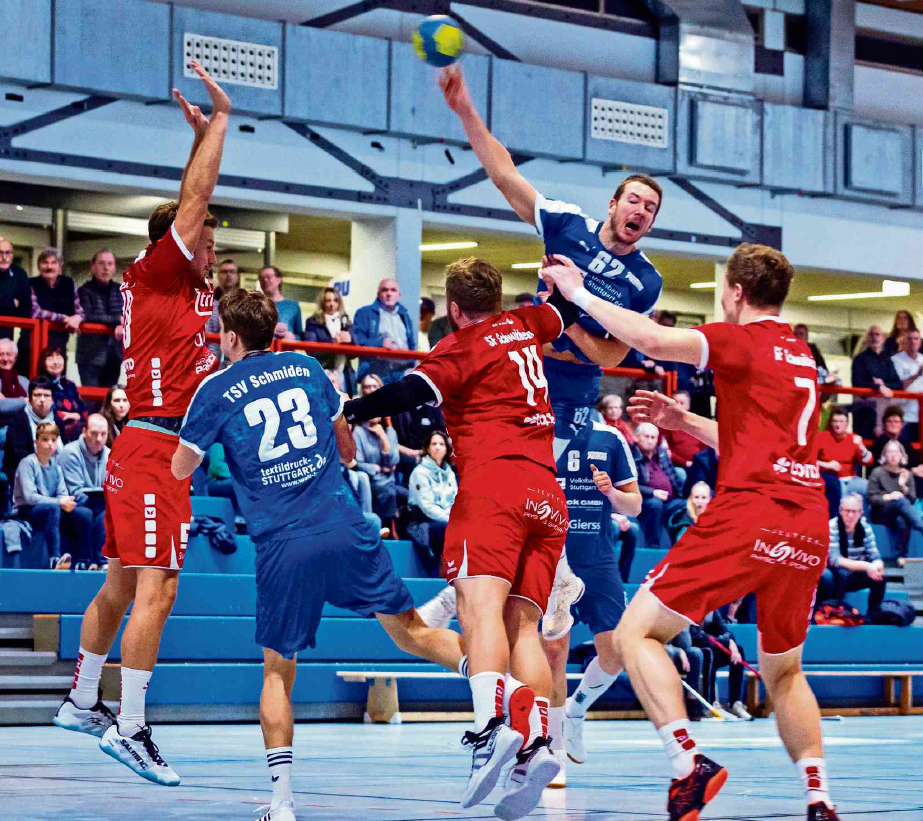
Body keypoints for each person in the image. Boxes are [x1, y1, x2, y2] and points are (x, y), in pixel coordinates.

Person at [542, 243, 841, 821]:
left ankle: (687, 764)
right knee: (784, 671)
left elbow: (651, 340)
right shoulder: (802, 355)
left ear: (737, 292)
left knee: (635, 634)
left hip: (752, 512)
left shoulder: (741, 339)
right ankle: (819, 797)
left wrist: (577, 292)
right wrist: (684, 422)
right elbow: (753, 443)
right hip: (808, 522)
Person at [171, 289, 465, 821]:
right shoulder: (308, 368)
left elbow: (180, 467)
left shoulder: (215, 387)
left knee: (277, 671)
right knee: (412, 633)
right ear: (273, 332)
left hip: (282, 544)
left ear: (230, 337)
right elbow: (347, 450)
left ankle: (282, 803)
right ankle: (506, 690)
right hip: (343, 524)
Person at [343, 257, 585, 818]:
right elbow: (566, 310)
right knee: (524, 628)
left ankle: (490, 729)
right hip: (548, 495)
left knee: (479, 613)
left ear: (453, 310)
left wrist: (351, 409)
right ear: (497, 299)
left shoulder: (461, 345)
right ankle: (536, 747)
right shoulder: (526, 323)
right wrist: (568, 278)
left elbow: (407, 393)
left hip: (495, 486)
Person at [437, 65, 664, 640]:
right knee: (490, 474)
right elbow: (504, 175)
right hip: (525, 375)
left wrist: (573, 304)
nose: (640, 212)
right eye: (635, 201)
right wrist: (465, 111)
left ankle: (542, 580)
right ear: (614, 203)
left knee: (532, 488)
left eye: (650, 209)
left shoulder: (645, 282)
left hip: (573, 392)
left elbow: (614, 357)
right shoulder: (567, 226)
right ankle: (523, 579)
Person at [51, 61, 228, 787]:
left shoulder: (172, 282)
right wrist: (221, 125)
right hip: (154, 449)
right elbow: (194, 200)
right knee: (160, 590)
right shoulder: (161, 271)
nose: (214, 248)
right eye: (206, 239)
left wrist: (195, 142)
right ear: (178, 240)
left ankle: (79, 700)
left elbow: (188, 198)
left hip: (146, 447)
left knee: (121, 587)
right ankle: (130, 727)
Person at [539, 418, 641, 786]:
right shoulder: (538, 429)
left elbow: (635, 506)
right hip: (551, 555)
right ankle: (553, 748)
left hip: (597, 557)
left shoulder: (609, 437)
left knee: (616, 652)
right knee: (554, 653)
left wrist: (612, 493)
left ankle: (576, 709)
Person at [14, 422, 92, 571]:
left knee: (84, 513)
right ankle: (54, 559)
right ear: (36, 442)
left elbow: (62, 493)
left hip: (51, 509)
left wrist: (66, 502)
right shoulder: (27, 463)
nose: (50, 443)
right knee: (53, 508)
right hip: (26, 510)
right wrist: (59, 502)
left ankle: (83, 560)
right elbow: (29, 497)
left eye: (53, 440)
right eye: (45, 439)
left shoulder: (56, 467)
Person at [60, 414, 110, 570]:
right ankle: (85, 560)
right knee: (87, 513)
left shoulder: (110, 455)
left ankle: (102, 562)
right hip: (70, 506)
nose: (99, 439)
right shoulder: (70, 452)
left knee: (111, 511)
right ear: (84, 432)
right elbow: (74, 492)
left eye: (103, 434)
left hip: (98, 504)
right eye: (94, 433)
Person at [406, 429, 457, 576]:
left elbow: (455, 500)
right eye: (434, 444)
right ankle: (438, 572)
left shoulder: (450, 473)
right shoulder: (420, 472)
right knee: (445, 528)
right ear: (428, 448)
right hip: (422, 522)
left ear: (446, 448)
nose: (438, 447)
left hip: (446, 518)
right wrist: (450, 520)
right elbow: (427, 507)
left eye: (441, 444)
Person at [3, 377, 62, 503]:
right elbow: (20, 458)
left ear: (52, 400)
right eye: (37, 395)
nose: (42, 400)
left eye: (46, 395)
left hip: (56, 477)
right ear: (29, 399)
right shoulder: (18, 420)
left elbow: (65, 452)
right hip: (27, 478)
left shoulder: (57, 420)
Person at [827, 493, 885, 614]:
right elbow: (835, 560)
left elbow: (875, 555)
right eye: (847, 511)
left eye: (854, 511)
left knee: (880, 577)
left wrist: (878, 566)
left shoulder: (865, 528)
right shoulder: (831, 526)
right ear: (840, 510)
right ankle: (836, 612)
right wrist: (867, 566)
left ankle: (873, 615)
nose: (850, 515)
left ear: (860, 513)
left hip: (856, 573)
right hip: (836, 573)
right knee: (841, 573)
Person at [353, 278, 418, 384]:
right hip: (377, 373)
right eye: (385, 290)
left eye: (393, 290)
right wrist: (380, 343)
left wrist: (412, 365)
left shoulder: (405, 316)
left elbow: (412, 344)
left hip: (402, 372)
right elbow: (358, 340)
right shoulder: (364, 313)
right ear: (378, 294)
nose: (389, 294)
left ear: (399, 295)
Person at [692, 610, 753, 721]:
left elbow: (726, 632)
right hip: (697, 650)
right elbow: (696, 635)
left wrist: (731, 643)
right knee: (712, 652)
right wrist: (726, 641)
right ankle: (711, 704)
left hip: (713, 646)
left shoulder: (713, 612)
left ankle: (735, 703)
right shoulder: (692, 609)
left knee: (738, 651)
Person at [867, 440, 923, 561]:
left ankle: (902, 557)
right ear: (884, 455)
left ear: (902, 455)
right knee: (899, 500)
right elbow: (871, 498)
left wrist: (903, 486)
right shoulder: (877, 472)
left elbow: (912, 500)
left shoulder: (907, 474)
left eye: (896, 452)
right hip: (880, 513)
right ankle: (921, 526)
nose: (893, 455)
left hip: (899, 513)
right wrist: (889, 497)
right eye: (889, 452)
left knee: (902, 520)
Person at [633, 421, 686, 547]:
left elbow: (673, 476)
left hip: (669, 500)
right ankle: (653, 546)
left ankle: (680, 544)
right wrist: (653, 492)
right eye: (646, 437)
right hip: (643, 500)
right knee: (655, 504)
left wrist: (680, 495)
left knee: (686, 504)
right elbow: (629, 484)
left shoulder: (662, 453)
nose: (650, 441)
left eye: (653, 437)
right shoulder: (631, 454)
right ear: (637, 437)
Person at [76, 249, 124, 388]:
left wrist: (123, 323)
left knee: (110, 398)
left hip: (114, 355)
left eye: (110, 264)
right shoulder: (84, 290)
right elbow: (87, 316)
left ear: (114, 268)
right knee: (91, 398)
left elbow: (129, 315)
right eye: (101, 263)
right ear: (93, 267)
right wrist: (117, 320)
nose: (106, 268)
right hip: (90, 355)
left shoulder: (121, 291)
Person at [815, 406, 872, 516]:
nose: (837, 425)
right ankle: (838, 520)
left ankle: (864, 519)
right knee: (840, 490)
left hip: (852, 479)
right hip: (830, 479)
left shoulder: (853, 438)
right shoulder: (822, 437)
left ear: (846, 424)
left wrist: (861, 447)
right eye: (835, 421)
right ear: (830, 423)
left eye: (841, 421)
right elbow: (809, 460)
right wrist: (827, 465)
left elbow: (868, 462)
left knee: (869, 487)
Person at [302, 286, 355, 395]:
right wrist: (332, 344)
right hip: (323, 371)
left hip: (344, 373)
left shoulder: (346, 321)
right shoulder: (313, 321)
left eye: (335, 300)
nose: (332, 304)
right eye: (328, 300)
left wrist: (350, 342)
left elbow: (356, 352)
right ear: (322, 303)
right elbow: (311, 350)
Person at [852, 325, 902, 439]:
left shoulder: (887, 360)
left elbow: (898, 384)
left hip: (884, 412)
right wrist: (877, 387)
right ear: (866, 338)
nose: (874, 337)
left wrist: (883, 385)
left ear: (883, 338)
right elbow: (857, 382)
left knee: (883, 443)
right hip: (865, 411)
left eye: (877, 334)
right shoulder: (859, 359)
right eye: (871, 334)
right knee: (864, 442)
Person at [30, 248, 84, 353]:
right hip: (32, 346)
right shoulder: (30, 283)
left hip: (59, 348)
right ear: (38, 265)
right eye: (45, 262)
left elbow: (80, 311)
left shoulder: (69, 283)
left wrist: (79, 317)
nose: (49, 267)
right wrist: (64, 318)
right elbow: (35, 312)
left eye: (54, 263)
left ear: (60, 266)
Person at [353, 411, 401, 523]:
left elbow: (394, 462)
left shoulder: (390, 432)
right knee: (389, 494)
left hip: (390, 481)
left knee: (407, 495)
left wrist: (384, 439)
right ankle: (388, 527)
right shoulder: (358, 432)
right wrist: (377, 468)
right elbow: (358, 464)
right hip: (372, 481)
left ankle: (393, 526)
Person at [38, 345, 88, 443]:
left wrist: (75, 415)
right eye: (50, 358)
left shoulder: (70, 385)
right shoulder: (40, 384)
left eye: (59, 357)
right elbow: (47, 411)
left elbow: (84, 412)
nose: (56, 362)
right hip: (52, 432)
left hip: (76, 432)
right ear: (43, 362)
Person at [0, 236, 33, 373]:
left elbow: (26, 308)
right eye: (0, 253)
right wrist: (11, 303)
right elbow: (16, 306)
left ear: (12, 255)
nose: (4, 257)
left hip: (6, 341)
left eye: (8, 253)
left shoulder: (20, 274)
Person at [891, 327, 923, 442]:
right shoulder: (895, 360)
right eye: (910, 339)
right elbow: (896, 387)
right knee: (903, 449)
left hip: (921, 416)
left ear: (920, 342)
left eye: (916, 338)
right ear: (904, 341)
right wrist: (916, 375)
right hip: (902, 416)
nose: (913, 341)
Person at [662, 391, 706, 469]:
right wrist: (685, 463)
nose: (678, 406)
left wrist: (700, 463)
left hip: (698, 466)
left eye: (681, 403)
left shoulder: (696, 424)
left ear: (688, 406)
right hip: (677, 467)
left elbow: (705, 449)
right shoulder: (666, 425)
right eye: (675, 402)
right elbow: (666, 451)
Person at [258, 266, 302, 340]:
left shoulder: (293, 306)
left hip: (286, 346)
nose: (265, 280)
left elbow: (300, 335)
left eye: (269, 277)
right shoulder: (255, 306)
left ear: (279, 279)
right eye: (261, 278)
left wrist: (293, 337)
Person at [0, 338, 29, 416]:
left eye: (9, 354)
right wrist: (24, 400)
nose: (5, 359)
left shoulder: (24, 381)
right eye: (1, 354)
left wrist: (7, 402)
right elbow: (1, 406)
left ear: (15, 358)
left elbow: (34, 405)